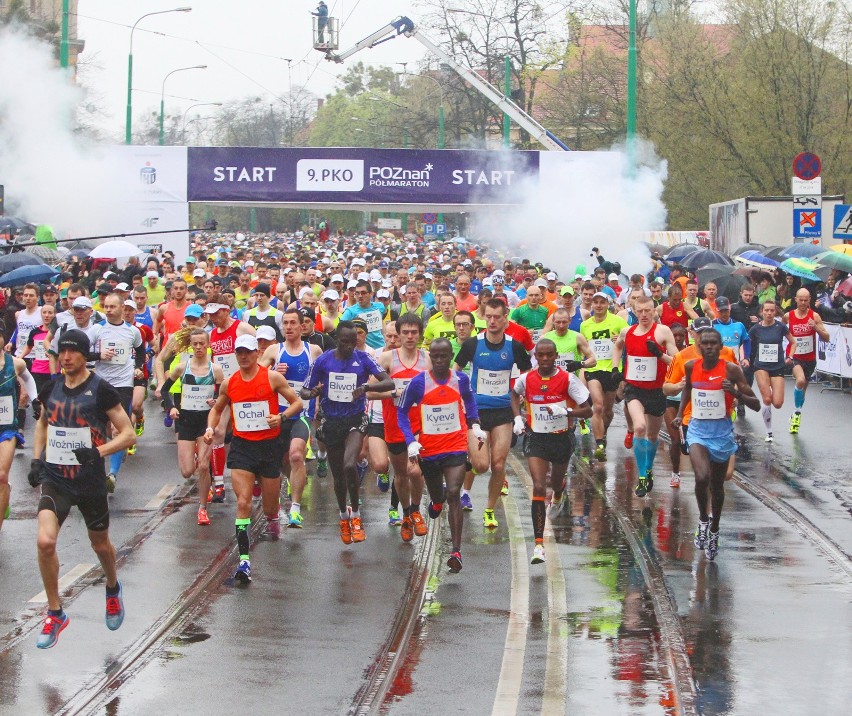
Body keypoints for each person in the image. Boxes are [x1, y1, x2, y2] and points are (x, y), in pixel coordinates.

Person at [31, 329, 136, 647]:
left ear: (85, 355)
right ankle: (55, 612)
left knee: (101, 546)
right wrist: (37, 460)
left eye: (72, 352)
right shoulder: (51, 387)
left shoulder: (101, 390)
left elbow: (128, 434)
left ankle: (113, 587)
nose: (65, 357)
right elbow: (42, 423)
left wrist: (98, 452)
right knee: (45, 541)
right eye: (61, 352)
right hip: (56, 477)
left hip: (89, 479)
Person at [204, 334, 302, 583]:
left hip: (269, 447)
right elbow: (217, 409)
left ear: (257, 353)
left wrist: (281, 417)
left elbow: (297, 403)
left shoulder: (272, 377)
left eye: (248, 351)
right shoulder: (229, 383)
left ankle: (273, 515)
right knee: (244, 503)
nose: (244, 356)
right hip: (242, 448)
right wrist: (210, 428)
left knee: (269, 507)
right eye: (240, 352)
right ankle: (244, 561)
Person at [301, 321, 394, 544]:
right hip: (331, 421)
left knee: (349, 464)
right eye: (344, 342)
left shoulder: (363, 358)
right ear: (337, 341)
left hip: (355, 419)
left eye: (353, 342)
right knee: (338, 476)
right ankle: (343, 515)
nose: (349, 347)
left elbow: (388, 382)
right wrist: (312, 391)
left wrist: (366, 388)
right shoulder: (323, 360)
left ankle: (356, 515)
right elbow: (304, 391)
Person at [397, 338, 485, 572]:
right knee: (439, 496)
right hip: (430, 450)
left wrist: (474, 423)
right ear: (429, 358)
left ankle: (456, 551)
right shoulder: (418, 383)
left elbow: (469, 399)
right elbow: (401, 413)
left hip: (455, 446)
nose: (438, 361)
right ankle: (437, 501)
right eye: (434, 357)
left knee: (454, 492)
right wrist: (410, 442)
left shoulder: (460, 379)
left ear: (450, 357)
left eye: (443, 356)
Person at [673, 328, 759, 560]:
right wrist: (681, 414)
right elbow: (688, 389)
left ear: (721, 347)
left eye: (714, 344)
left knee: (717, 485)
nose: (709, 347)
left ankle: (715, 528)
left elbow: (756, 404)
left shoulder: (731, 370)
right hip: (698, 431)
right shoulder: (691, 366)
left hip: (721, 434)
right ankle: (703, 519)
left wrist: (736, 393)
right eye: (705, 343)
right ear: (699, 346)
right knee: (701, 477)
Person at [454, 298, 532, 528]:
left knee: (498, 464)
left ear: (506, 318)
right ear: (483, 317)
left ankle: (489, 509)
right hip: (477, 413)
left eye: (497, 317)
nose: (492, 321)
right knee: (481, 465)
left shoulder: (514, 346)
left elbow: (528, 377)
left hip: (503, 412)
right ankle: (469, 464)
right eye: (488, 316)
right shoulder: (472, 344)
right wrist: (459, 397)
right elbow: (455, 371)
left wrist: (524, 405)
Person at [512, 339, 592, 564]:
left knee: (555, 482)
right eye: (541, 355)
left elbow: (588, 410)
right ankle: (538, 545)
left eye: (549, 355)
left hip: (561, 439)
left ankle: (560, 491)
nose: (545, 359)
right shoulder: (526, 379)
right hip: (536, 439)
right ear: (535, 356)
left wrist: (566, 410)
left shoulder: (568, 379)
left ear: (556, 355)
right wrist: (518, 417)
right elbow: (513, 394)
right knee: (538, 486)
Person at [369, 314, 430, 542]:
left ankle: (416, 510)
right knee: (402, 474)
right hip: (394, 424)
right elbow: (369, 390)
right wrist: (393, 393)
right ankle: (406, 514)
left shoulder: (427, 360)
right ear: (400, 333)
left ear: (420, 334)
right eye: (406, 332)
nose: (410, 336)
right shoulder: (386, 359)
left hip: (419, 426)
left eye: (414, 332)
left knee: (415, 471)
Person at [259, 307, 322, 528]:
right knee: (282, 461)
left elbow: (323, 377)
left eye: (293, 323)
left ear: (301, 325)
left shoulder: (312, 350)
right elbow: (256, 377)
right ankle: (292, 480)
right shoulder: (274, 351)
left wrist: (318, 398)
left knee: (296, 455)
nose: (288, 327)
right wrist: (273, 372)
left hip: (301, 414)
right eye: (285, 323)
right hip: (276, 414)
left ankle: (294, 509)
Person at [612, 296, 678, 497]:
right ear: (633, 311)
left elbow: (677, 362)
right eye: (639, 311)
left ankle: (648, 469)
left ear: (654, 311)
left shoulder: (662, 332)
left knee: (652, 435)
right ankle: (642, 476)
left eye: (647, 311)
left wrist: (659, 354)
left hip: (657, 390)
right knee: (639, 427)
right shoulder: (628, 331)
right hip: (634, 389)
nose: (644, 315)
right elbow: (618, 346)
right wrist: (616, 368)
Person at [161, 328, 224, 525]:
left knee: (204, 467)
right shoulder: (181, 367)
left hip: (205, 422)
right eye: (195, 344)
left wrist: (216, 401)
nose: (198, 347)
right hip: (185, 420)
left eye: (201, 343)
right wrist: (171, 407)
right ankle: (196, 457)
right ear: (190, 345)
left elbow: (222, 396)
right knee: (187, 471)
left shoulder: (215, 370)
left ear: (207, 345)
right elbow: (164, 390)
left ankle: (202, 509)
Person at [89, 292, 144, 493]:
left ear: (122, 308)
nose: (109, 310)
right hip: (101, 384)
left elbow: (140, 350)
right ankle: (96, 469)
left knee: (119, 429)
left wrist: (138, 367)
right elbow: (82, 351)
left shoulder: (132, 331)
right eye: (106, 306)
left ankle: (112, 474)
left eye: (113, 306)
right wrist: (98, 355)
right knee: (98, 428)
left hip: (124, 385)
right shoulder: (98, 329)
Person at [580, 292, 628, 461]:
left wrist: (620, 339)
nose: (599, 305)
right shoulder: (585, 325)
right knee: (598, 406)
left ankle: (603, 431)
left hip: (611, 370)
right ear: (591, 305)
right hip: (593, 368)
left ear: (608, 304)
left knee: (608, 411)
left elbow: (628, 338)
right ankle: (599, 443)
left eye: (602, 302)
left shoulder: (618, 322)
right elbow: (583, 346)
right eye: (596, 303)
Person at [0, 326, 38, 532]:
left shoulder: (14, 363)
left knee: (2, 475)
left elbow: (28, 378)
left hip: (6, 427)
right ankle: (4, 493)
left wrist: (35, 399)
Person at [782, 288, 829, 434]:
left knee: (803, 390)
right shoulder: (787, 316)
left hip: (810, 358)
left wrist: (815, 327)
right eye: (800, 300)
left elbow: (826, 337)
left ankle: (797, 412)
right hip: (795, 356)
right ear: (795, 299)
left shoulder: (814, 316)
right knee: (800, 380)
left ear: (809, 300)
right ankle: (796, 414)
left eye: (805, 300)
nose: (803, 303)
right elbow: (779, 331)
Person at [748, 300, 795, 442]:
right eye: (766, 310)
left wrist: (790, 356)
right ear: (761, 312)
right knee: (767, 398)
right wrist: (744, 357)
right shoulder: (756, 328)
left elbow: (793, 342)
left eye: (772, 311)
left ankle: (784, 417)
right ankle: (769, 432)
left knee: (778, 403)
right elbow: (746, 342)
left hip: (777, 366)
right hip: (760, 365)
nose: (769, 313)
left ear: (775, 312)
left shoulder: (780, 326)